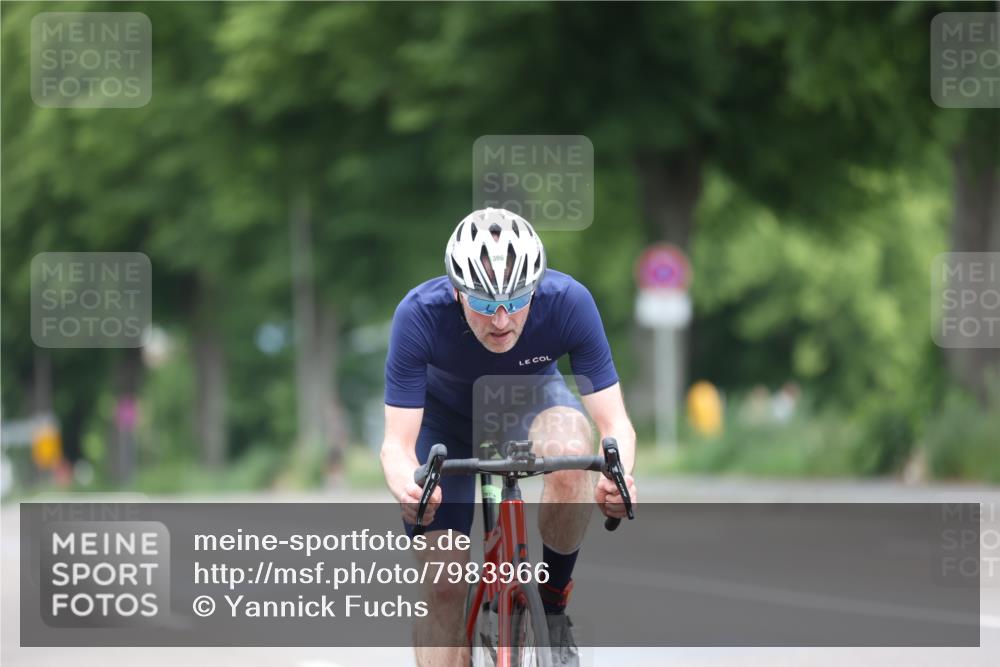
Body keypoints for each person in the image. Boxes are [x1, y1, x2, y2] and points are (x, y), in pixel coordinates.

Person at [379, 207, 638, 667]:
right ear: (457, 292)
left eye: (516, 301)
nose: (500, 319)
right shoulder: (418, 314)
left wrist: (618, 477)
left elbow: (615, 425)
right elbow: (397, 445)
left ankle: (554, 605)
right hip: (446, 428)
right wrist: (408, 485)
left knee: (572, 450)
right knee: (443, 586)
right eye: (482, 304)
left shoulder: (569, 302)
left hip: (530, 402)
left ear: (536, 287)